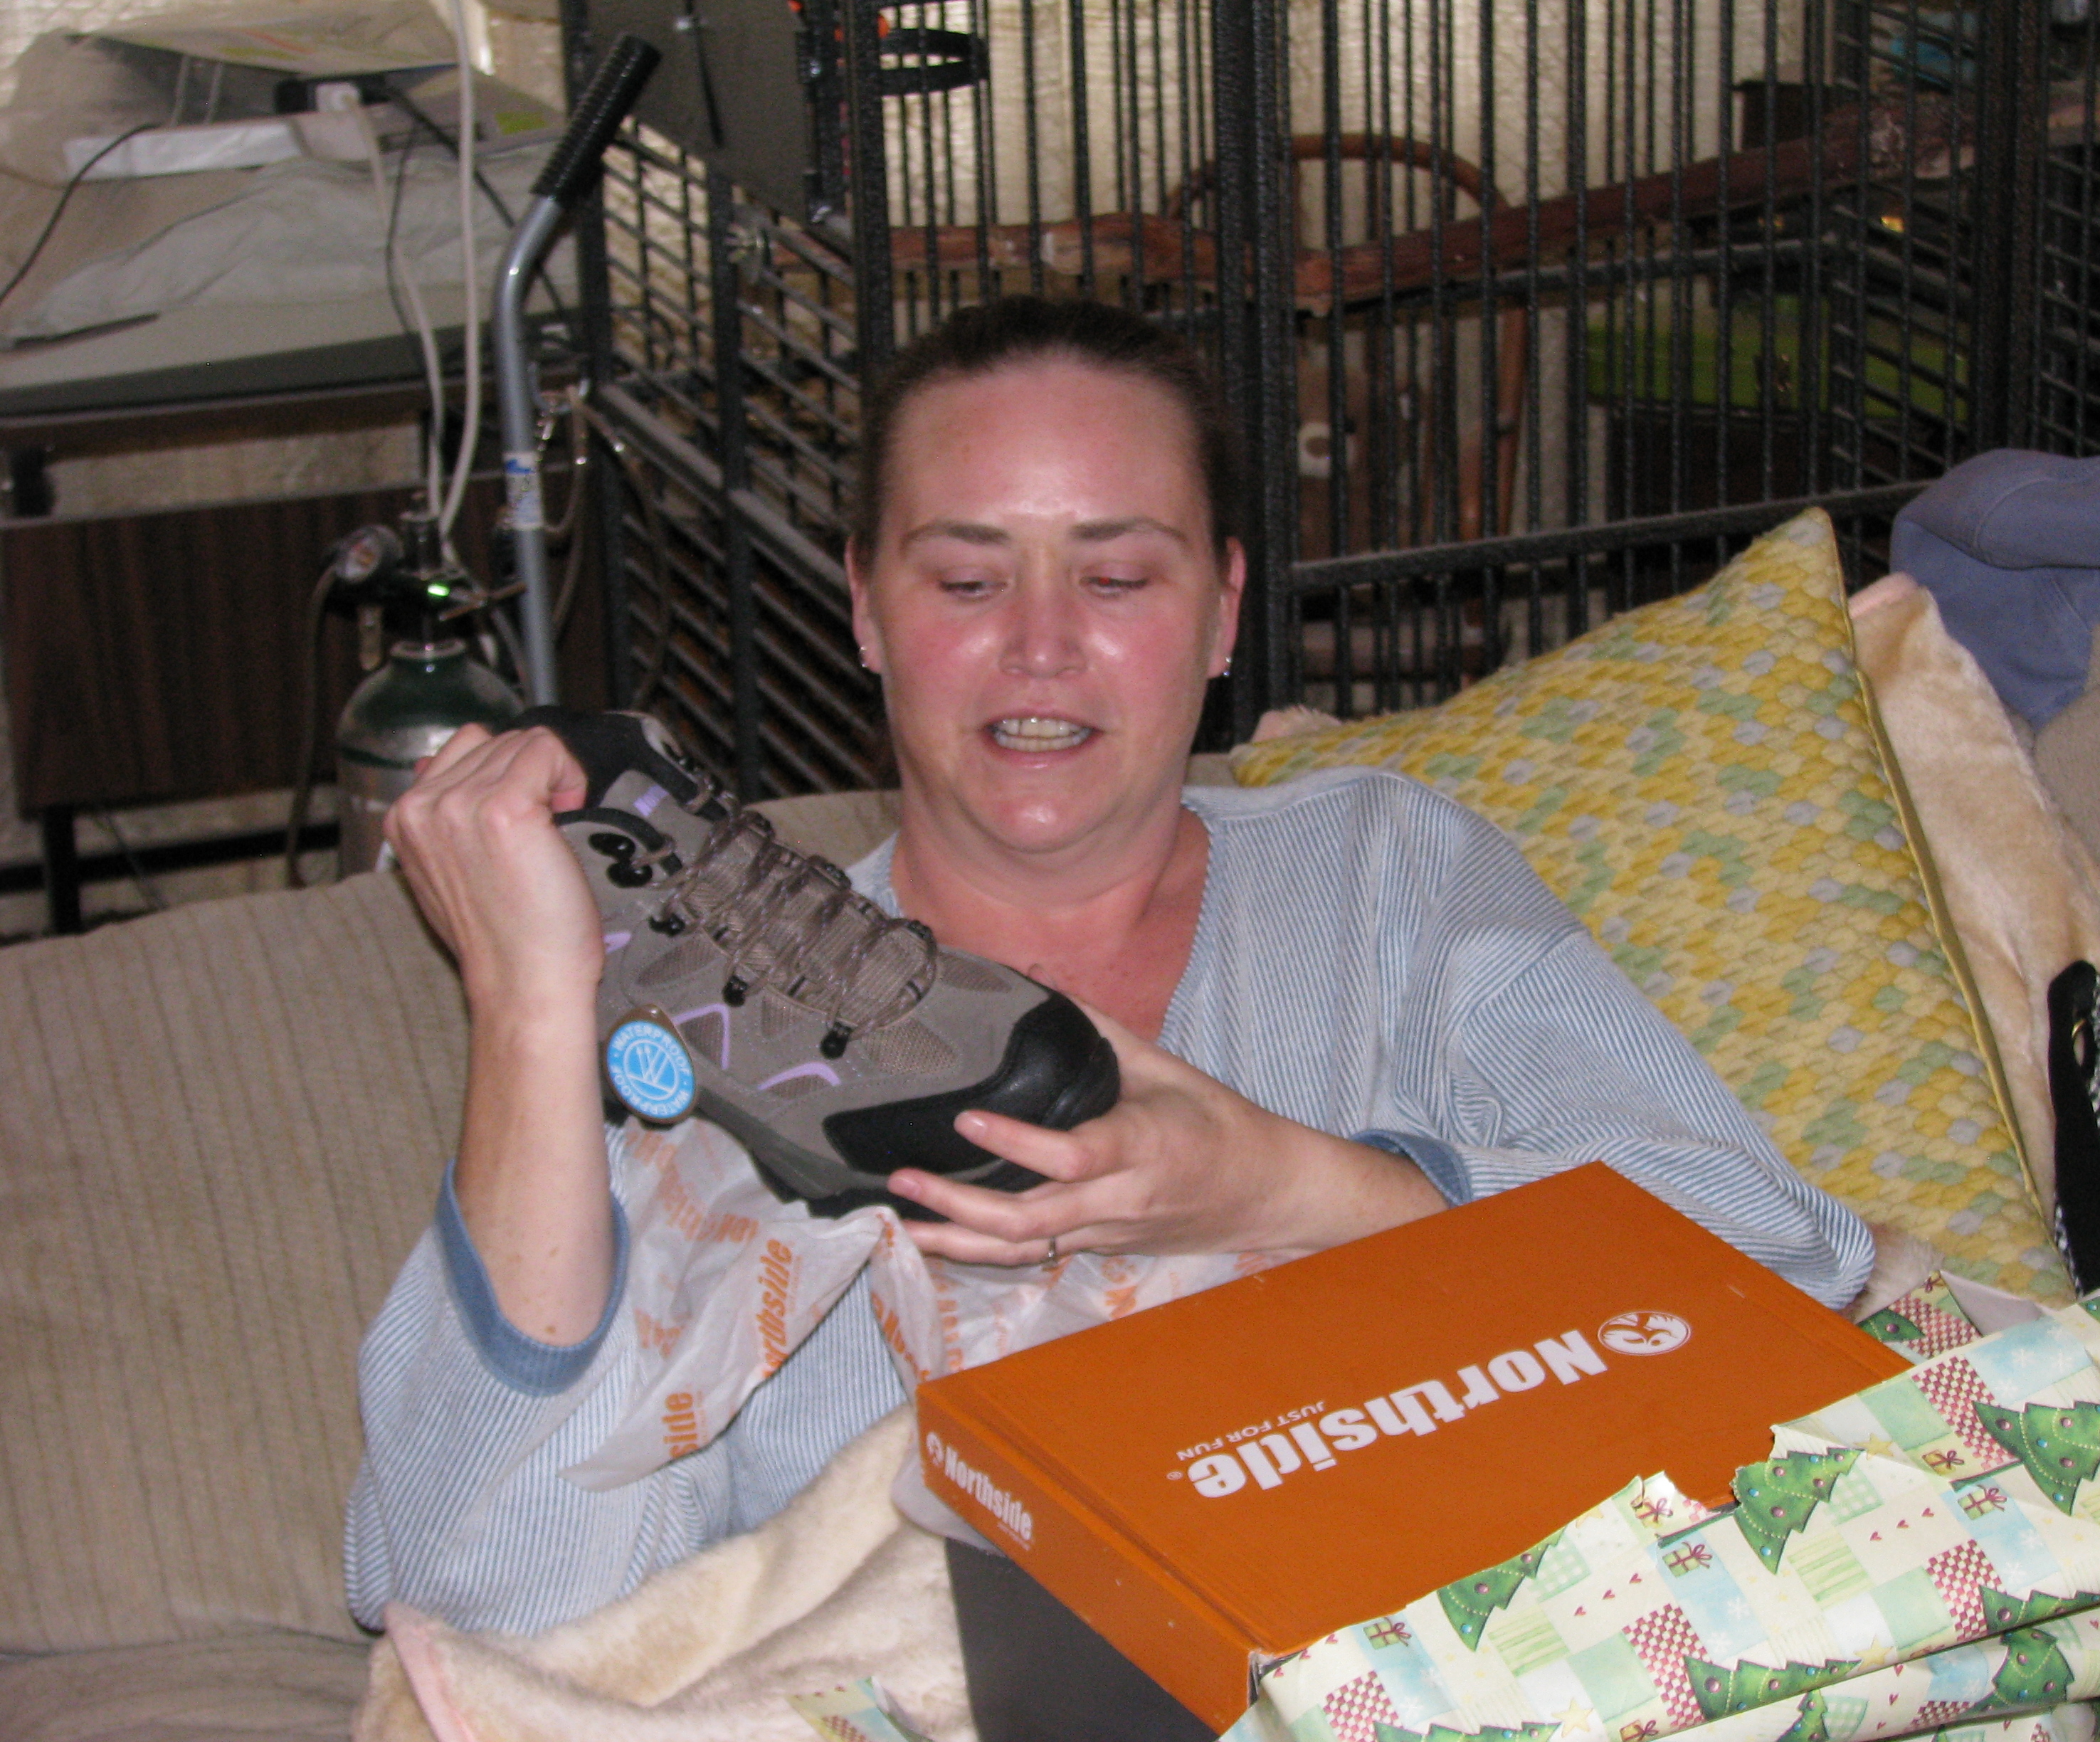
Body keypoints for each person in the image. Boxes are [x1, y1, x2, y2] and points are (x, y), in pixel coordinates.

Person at [347, 297, 1873, 1733]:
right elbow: (498, 1611)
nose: (1041, 643)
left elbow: (1790, 1260)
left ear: (1222, 611)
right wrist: (531, 1006)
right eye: (966, 581)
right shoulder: (718, 1032)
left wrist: (1296, 1189)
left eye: (1120, 577)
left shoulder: (1383, 874)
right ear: (866, 609)